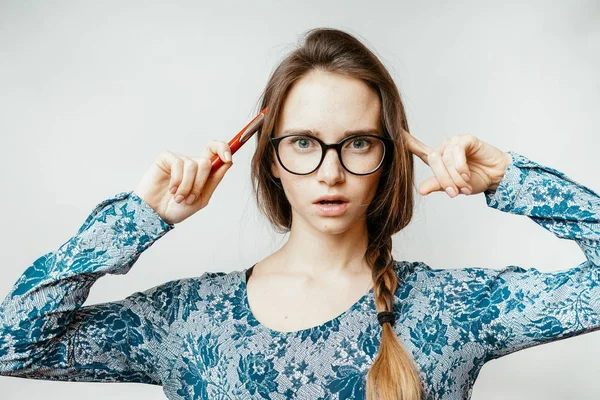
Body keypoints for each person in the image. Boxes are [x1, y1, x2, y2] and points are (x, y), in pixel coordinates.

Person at [0, 27, 598, 400]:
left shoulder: (451, 308)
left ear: (391, 159)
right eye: (305, 143)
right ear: (271, 161)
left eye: (359, 142)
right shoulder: (187, 318)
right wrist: (137, 217)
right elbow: (12, 346)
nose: (331, 172)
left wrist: (510, 178)